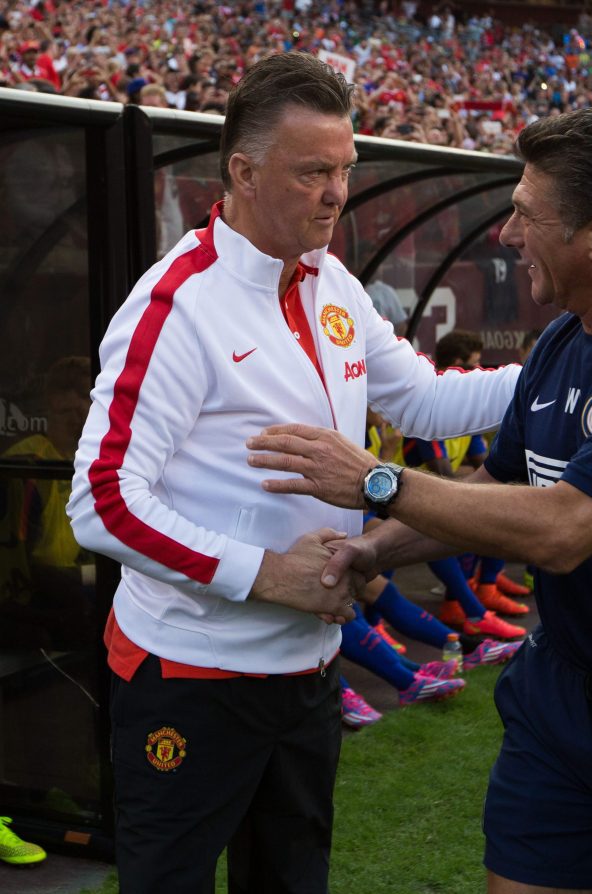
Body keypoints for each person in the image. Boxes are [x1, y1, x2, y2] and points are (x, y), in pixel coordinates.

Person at [248, 106, 592, 894]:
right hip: (565, 689)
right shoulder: (566, 341)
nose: (506, 235)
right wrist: (370, 550)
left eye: (526, 216)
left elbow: (566, 528)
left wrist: (377, 481)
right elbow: (499, 485)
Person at [67, 52, 519, 894]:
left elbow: (421, 401)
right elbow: (99, 501)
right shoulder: (177, 305)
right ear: (242, 171)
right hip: (190, 680)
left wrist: (568, 370)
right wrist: (267, 574)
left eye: (345, 169)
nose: (337, 193)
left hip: (306, 677)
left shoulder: (329, 280)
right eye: (314, 171)